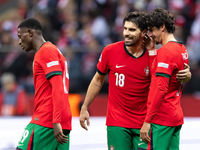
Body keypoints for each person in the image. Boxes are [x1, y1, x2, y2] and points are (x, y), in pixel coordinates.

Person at [79, 12, 191, 150]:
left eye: (132, 30)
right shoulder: (110, 51)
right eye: (125, 28)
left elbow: (162, 82)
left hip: (144, 124)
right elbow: (97, 80)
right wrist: (84, 107)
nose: (126, 33)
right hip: (117, 123)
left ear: (144, 32)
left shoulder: (154, 55)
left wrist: (187, 75)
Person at [16, 18, 72, 150]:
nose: (19, 42)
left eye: (20, 36)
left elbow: (57, 86)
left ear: (30, 33)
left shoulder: (46, 51)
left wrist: (56, 120)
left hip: (47, 119)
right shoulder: (54, 50)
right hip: (59, 119)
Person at [139, 8, 189, 150]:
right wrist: (152, 51)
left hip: (161, 118)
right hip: (174, 116)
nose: (151, 35)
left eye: (152, 30)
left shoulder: (165, 52)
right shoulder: (181, 48)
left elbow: (161, 89)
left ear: (162, 27)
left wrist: (147, 121)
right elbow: (161, 72)